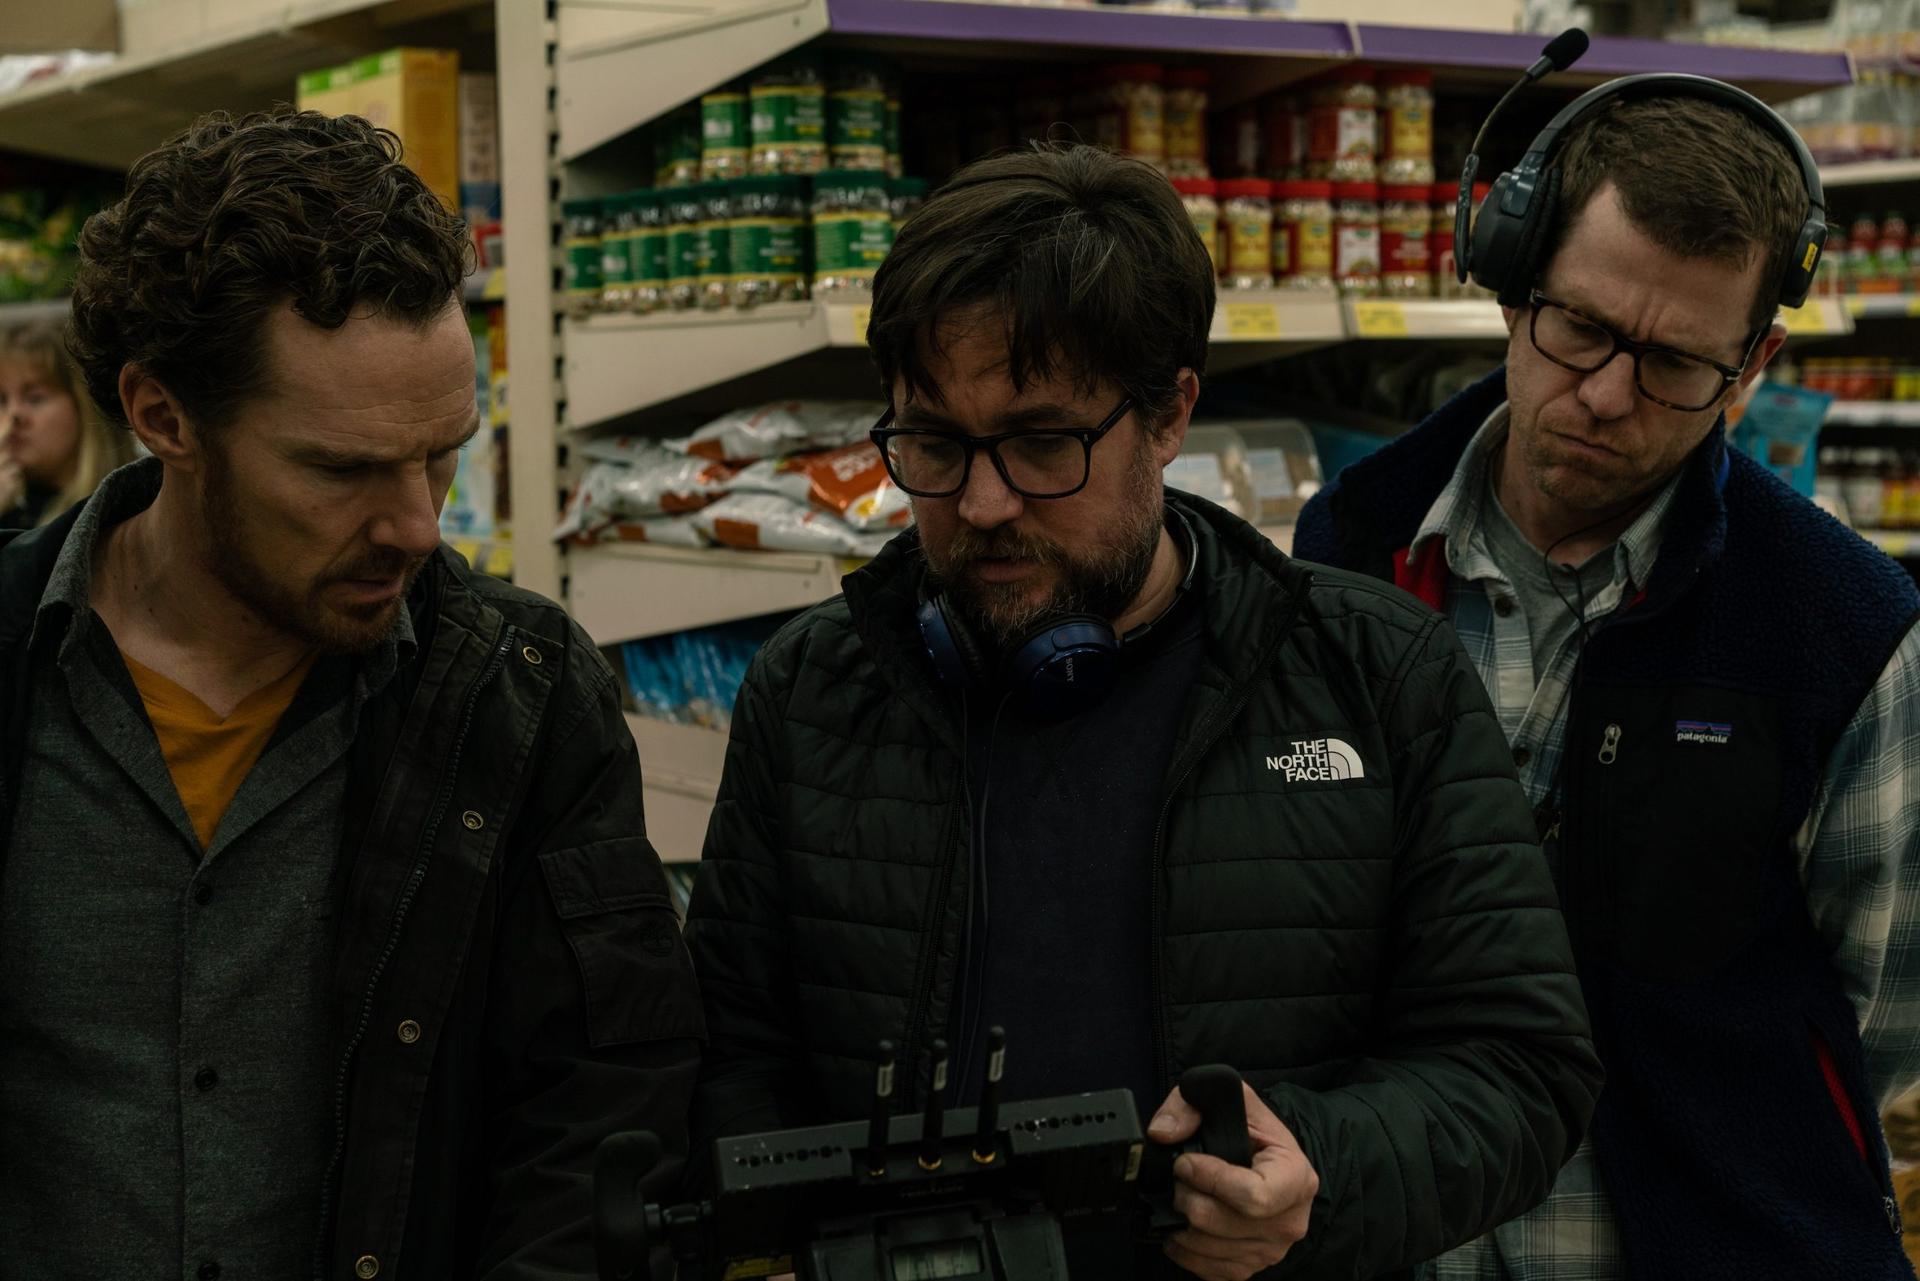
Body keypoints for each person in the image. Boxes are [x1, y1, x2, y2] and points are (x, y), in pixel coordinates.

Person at [686, 142, 1603, 1280]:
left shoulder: (1378, 674)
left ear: (1170, 417)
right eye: (933, 443)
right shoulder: (812, 691)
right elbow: (730, 1057)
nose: (983, 501)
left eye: (1042, 443)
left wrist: (1316, 1168)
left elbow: (1519, 1068)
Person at [0, 109, 703, 1279]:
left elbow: (599, 1125)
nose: (418, 526)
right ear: (163, 416)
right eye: (343, 470)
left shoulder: (519, 698)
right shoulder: (16, 664)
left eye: (442, 452)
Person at [1295, 82, 1920, 1279]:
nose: (1606, 395)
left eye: (1676, 361)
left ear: (1755, 363)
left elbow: (1880, 1022)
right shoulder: (1348, 549)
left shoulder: (1846, 630)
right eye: (1579, 327)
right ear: (1512, 280)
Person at [0, 318, 135, 528]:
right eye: (1, 400)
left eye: (35, 398)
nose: (13, 414)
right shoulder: (9, 506)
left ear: (84, 407)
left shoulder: (127, 508)